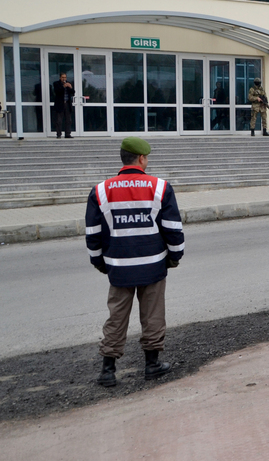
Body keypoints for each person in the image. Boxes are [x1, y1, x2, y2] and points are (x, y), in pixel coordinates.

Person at [85, 137, 184, 387]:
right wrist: (174, 256)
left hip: (118, 267)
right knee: (153, 315)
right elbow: (172, 228)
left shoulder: (100, 190)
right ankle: (152, 365)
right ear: (141, 159)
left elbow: (93, 233)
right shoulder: (160, 187)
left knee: (116, 316)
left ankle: (108, 371)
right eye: (147, 157)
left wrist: (99, 262)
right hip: (153, 265)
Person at [52, 73, 75, 139]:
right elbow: (57, 91)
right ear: (60, 78)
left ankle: (67, 134)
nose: (64, 79)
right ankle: (59, 134)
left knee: (68, 120)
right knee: (59, 120)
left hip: (67, 103)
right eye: (62, 77)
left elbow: (73, 92)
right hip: (60, 104)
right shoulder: (56, 83)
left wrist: (70, 87)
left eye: (65, 77)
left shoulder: (68, 83)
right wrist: (63, 86)